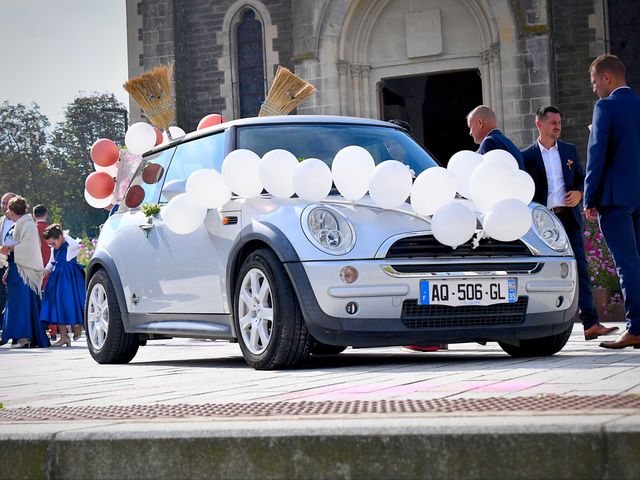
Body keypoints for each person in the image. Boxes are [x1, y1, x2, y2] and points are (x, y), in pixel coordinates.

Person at [521, 106, 618, 341]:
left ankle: (590, 324)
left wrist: (578, 193)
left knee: (580, 269)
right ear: (539, 125)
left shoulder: (569, 151)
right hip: (542, 222)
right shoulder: (526, 156)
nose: (557, 126)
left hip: (568, 218)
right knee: (542, 269)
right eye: (553, 122)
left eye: (559, 122)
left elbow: (582, 180)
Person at [584, 54, 640, 349]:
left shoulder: (605, 106)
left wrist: (589, 198)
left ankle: (635, 327)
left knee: (626, 264)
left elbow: (597, 155)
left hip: (615, 199)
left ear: (607, 78)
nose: (593, 88)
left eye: (594, 82)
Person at [0, 196, 49, 348]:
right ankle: (17, 335)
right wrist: (9, 265)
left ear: (14, 211)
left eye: (9, 209)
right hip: (17, 268)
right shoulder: (19, 224)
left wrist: (9, 248)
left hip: (25, 271)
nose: (7, 211)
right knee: (15, 303)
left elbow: (29, 247)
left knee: (22, 303)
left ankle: (24, 336)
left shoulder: (28, 225)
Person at [39, 224, 86, 346]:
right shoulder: (54, 248)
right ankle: (64, 336)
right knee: (56, 305)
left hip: (69, 279)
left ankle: (77, 326)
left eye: (53, 243)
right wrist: (46, 270)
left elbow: (75, 244)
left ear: (60, 238)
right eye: (49, 244)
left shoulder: (70, 246)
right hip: (57, 278)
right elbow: (52, 261)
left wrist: (64, 236)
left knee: (70, 302)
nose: (51, 246)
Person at [466, 105, 524, 169]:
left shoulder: (489, 143)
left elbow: (487, 175)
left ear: (480, 123)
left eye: (470, 127)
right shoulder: (506, 142)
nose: (470, 133)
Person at [33, 204, 57, 341]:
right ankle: (53, 330)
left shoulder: (32, 230)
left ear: (34, 215)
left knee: (36, 299)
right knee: (50, 300)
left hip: (35, 269)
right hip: (50, 268)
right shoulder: (51, 230)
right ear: (46, 214)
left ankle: (39, 328)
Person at [0, 192, 16, 319]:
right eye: (3, 203)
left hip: (15, 265)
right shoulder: (1, 221)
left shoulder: (23, 221)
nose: (4, 206)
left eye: (7, 203)